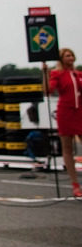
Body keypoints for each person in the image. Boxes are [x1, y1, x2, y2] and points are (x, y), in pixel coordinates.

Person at [43, 48, 82, 198]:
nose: (70, 57)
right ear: (61, 59)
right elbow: (48, 91)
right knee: (67, 148)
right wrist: (46, 73)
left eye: (72, 54)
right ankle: (75, 184)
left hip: (80, 112)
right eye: (67, 55)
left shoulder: (79, 74)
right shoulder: (57, 74)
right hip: (66, 112)